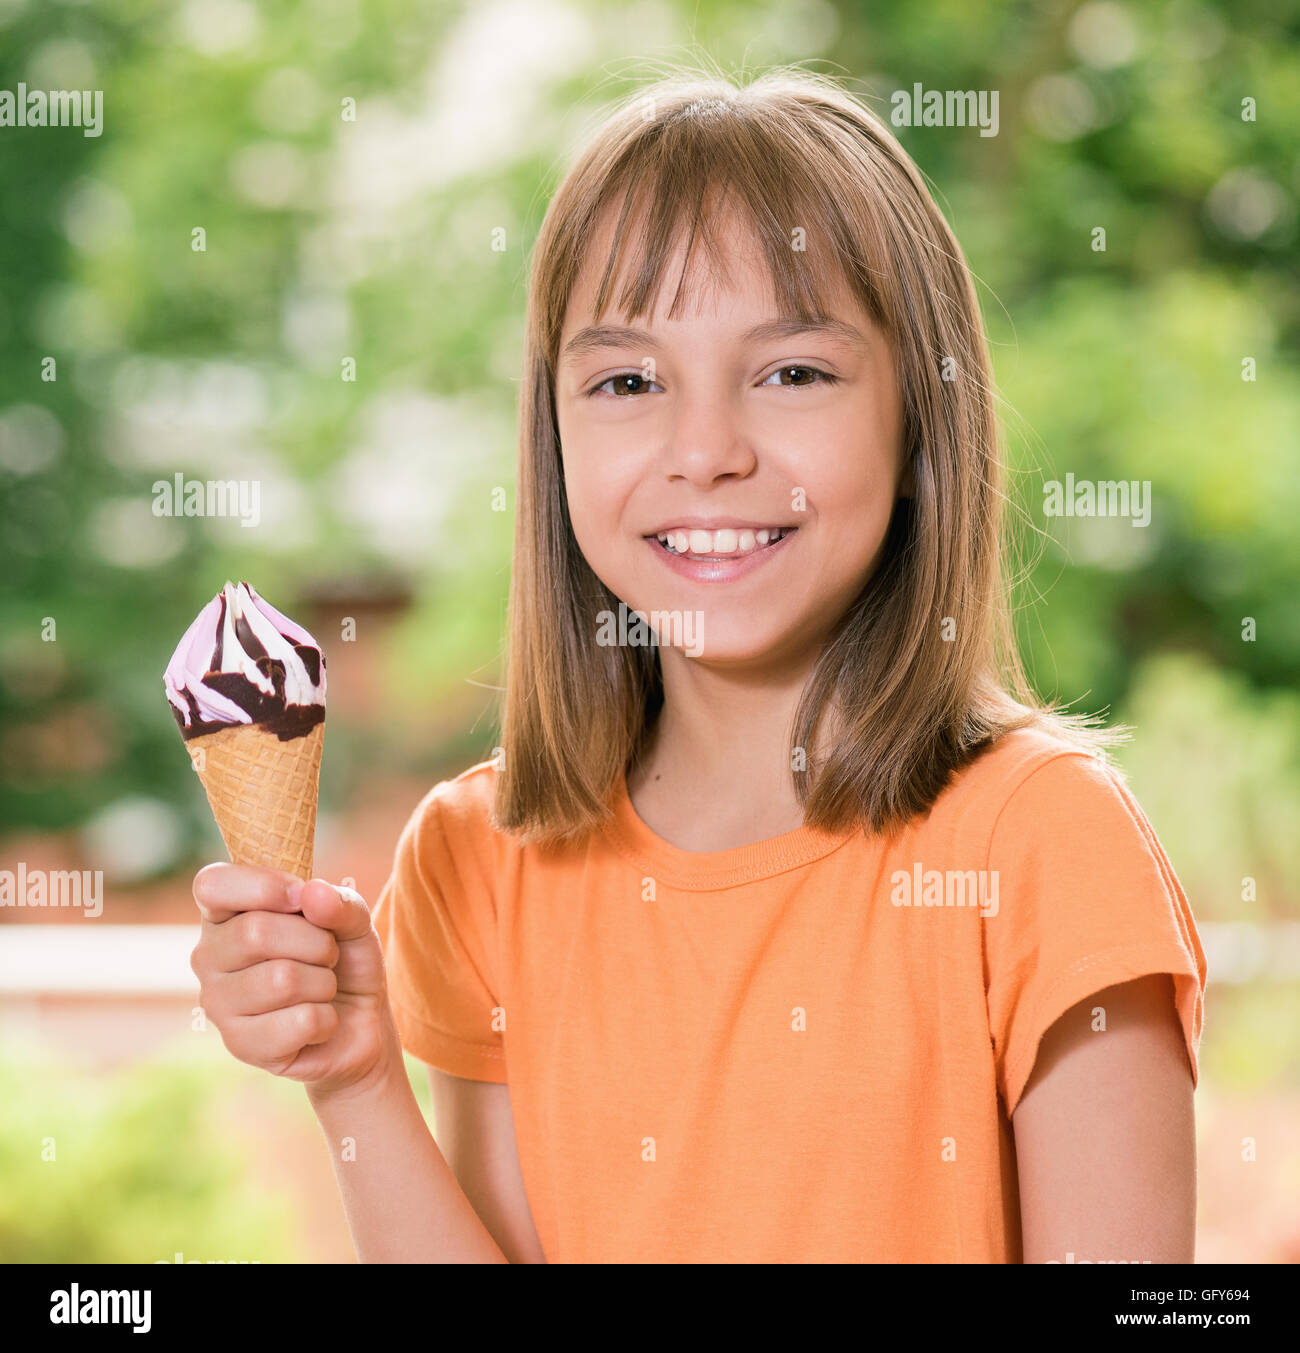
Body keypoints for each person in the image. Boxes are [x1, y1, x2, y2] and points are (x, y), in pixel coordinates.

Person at [189, 65, 1206, 1264]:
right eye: (627, 381)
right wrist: (354, 1081)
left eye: (793, 372)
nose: (707, 450)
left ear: (919, 418)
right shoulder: (481, 857)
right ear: (553, 434)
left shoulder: (1039, 839)